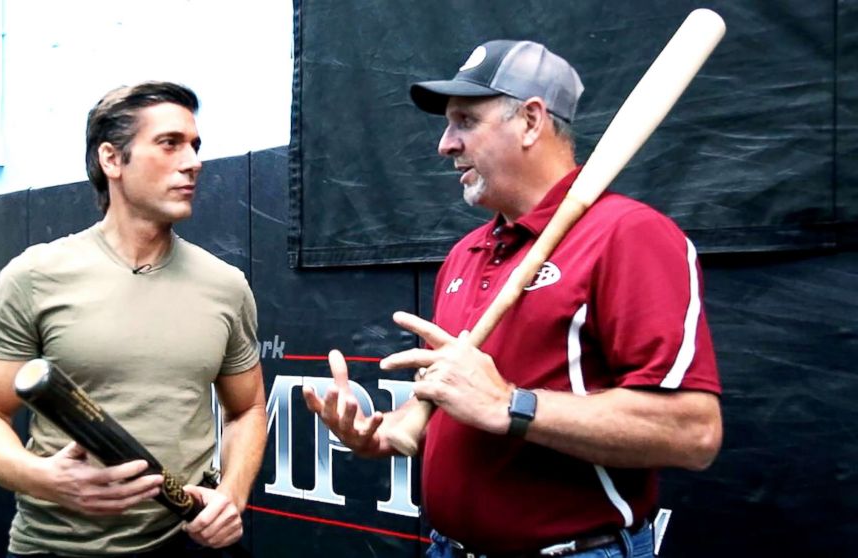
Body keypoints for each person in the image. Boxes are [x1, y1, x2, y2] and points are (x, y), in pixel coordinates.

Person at [304, 40, 722, 557]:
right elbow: (461, 396)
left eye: (464, 121)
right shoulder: (465, 254)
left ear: (530, 120)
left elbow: (693, 431)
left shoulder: (629, 235)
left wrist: (511, 405)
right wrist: (383, 432)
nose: (445, 144)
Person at [0, 81, 267, 557]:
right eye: (170, 143)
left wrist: (231, 496)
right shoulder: (35, 276)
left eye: (195, 145)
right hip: (57, 547)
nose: (193, 161)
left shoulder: (225, 285)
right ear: (111, 159)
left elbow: (246, 410)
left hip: (186, 544)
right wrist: (44, 478)